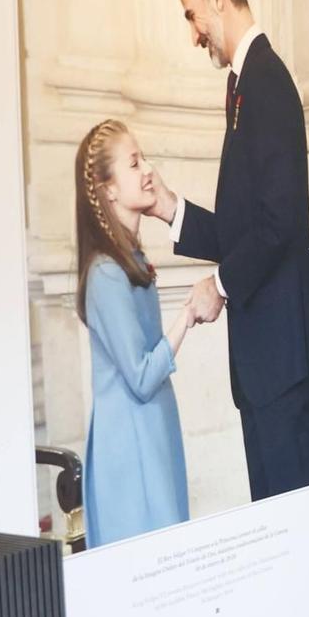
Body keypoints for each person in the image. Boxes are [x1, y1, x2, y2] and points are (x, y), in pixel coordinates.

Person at [145, 0, 309, 501]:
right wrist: (168, 207)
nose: (193, 31)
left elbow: (280, 223)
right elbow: (244, 227)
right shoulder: (245, 85)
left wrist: (219, 285)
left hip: (278, 359)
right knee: (276, 519)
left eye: (192, 13)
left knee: (292, 523)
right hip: (268, 358)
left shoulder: (267, 82)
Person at [74, 120, 202, 547]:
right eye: (134, 163)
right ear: (108, 189)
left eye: (143, 157)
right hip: (130, 451)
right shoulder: (106, 273)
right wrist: (187, 315)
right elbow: (143, 377)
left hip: (151, 433)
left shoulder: (128, 258)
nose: (148, 169)